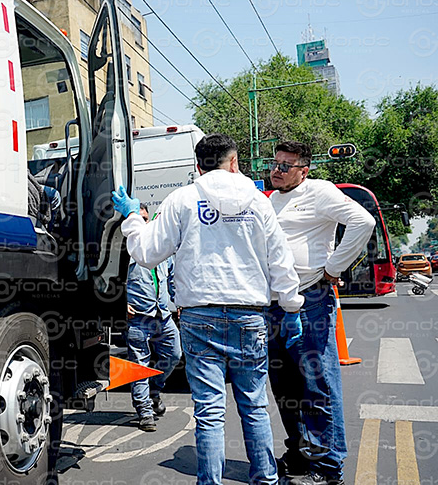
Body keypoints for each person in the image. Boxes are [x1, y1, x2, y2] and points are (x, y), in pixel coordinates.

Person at [112, 134, 303, 485]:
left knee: (210, 411)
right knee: (254, 406)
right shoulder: (258, 202)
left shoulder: (182, 199)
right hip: (249, 316)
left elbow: (146, 252)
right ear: (234, 163)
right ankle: (265, 479)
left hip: (200, 318)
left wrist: (131, 218)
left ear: (197, 167)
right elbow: (280, 259)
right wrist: (291, 306)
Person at [267, 141, 375, 485]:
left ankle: (328, 467)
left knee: (317, 384)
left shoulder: (320, 192)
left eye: (287, 165)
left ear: (304, 170)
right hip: (274, 305)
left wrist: (333, 267)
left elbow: (362, 222)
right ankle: (299, 454)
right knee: (284, 385)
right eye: (276, 163)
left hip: (311, 299)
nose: (278, 169)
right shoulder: (270, 200)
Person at [125, 203, 182, 432]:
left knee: (174, 353)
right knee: (139, 365)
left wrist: (179, 302)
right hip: (138, 317)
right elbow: (107, 282)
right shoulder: (125, 251)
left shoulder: (159, 249)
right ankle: (145, 412)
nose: (144, 222)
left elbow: (171, 278)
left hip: (163, 315)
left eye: (146, 218)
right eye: (139, 218)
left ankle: (154, 390)